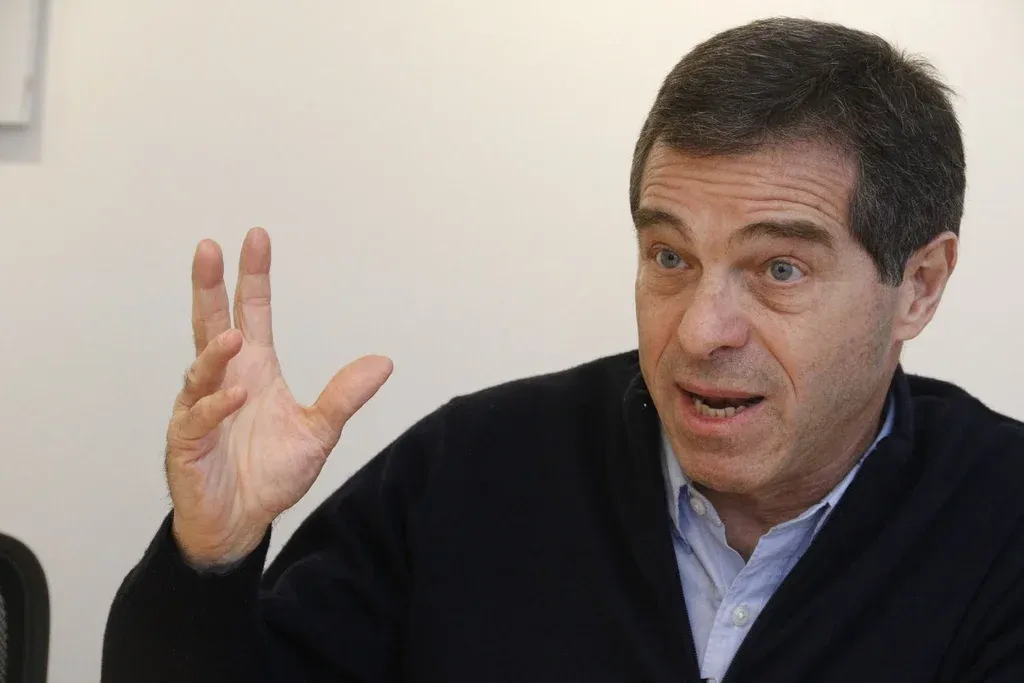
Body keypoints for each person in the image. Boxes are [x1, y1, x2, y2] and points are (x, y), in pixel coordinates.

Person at [101, 16, 1024, 683]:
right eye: (670, 257)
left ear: (920, 285)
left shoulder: (1001, 523)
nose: (700, 330)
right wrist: (208, 563)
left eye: (779, 269)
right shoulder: (473, 469)